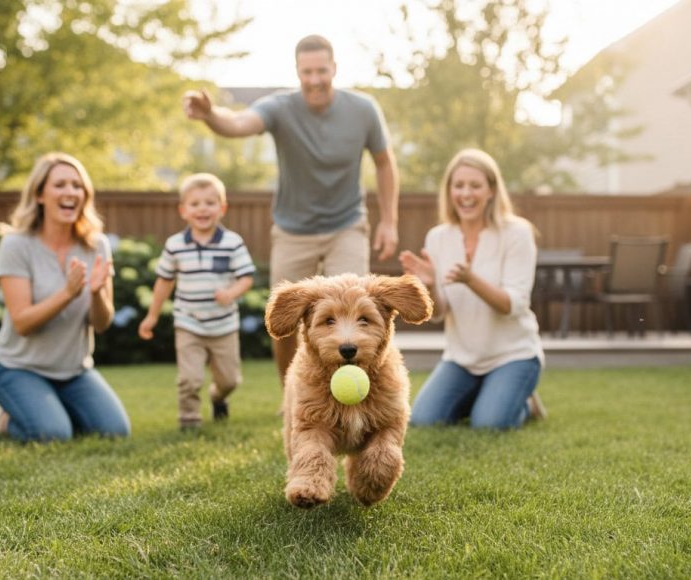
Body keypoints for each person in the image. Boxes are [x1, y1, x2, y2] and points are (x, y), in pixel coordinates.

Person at [183, 34, 400, 385]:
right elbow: (238, 124)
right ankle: (293, 393)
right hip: (293, 230)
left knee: (356, 311)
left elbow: (384, 163)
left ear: (334, 68)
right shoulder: (280, 108)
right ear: (297, 71)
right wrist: (210, 115)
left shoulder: (363, 109)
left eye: (321, 71)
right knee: (283, 321)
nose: (314, 79)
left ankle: (359, 394)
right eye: (306, 72)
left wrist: (389, 221)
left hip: (346, 225)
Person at [0, 152, 131, 442]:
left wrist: (96, 293)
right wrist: (67, 293)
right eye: (60, 185)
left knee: (115, 432)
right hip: (19, 369)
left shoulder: (97, 245)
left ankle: (50, 408)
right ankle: (7, 418)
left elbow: (101, 324)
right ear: (39, 195)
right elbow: (23, 323)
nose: (71, 192)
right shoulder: (16, 245)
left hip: (74, 371)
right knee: (53, 434)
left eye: (77, 186)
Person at [399, 149, 547, 429]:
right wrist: (429, 286)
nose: (466, 193)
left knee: (489, 424)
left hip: (513, 356)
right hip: (461, 360)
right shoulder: (438, 237)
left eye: (475, 185)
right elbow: (439, 313)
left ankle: (524, 402)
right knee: (424, 419)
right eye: (459, 185)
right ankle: (489, 395)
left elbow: (512, 304)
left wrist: (471, 280)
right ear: (449, 191)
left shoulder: (516, 233)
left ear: (491, 190)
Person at [138, 173, 255, 429]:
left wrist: (231, 292)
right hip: (188, 323)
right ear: (183, 210)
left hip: (224, 325)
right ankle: (189, 419)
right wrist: (152, 316)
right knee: (190, 378)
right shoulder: (175, 245)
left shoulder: (232, 243)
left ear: (222, 208)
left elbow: (246, 278)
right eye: (195, 204)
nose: (202, 209)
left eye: (210, 203)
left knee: (230, 380)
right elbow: (164, 281)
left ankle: (218, 397)